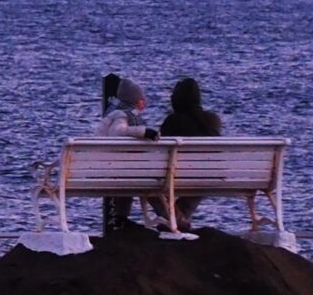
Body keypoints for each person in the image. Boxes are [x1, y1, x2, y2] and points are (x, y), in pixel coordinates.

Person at [157, 77, 224, 229]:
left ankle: (175, 218)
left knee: (148, 187)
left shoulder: (173, 121)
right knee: (202, 180)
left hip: (176, 176)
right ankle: (179, 218)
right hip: (211, 176)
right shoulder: (213, 120)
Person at [95, 73, 155, 233]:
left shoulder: (117, 112)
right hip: (107, 166)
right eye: (141, 100)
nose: (145, 103)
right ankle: (121, 218)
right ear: (133, 101)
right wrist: (144, 132)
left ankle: (121, 219)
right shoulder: (121, 115)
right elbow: (117, 132)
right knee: (131, 176)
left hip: (108, 163)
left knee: (128, 175)